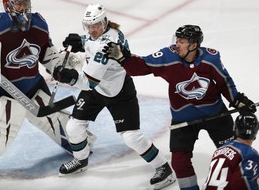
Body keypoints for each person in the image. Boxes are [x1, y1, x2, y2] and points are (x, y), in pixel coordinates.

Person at [102, 24, 257, 190]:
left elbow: (224, 83)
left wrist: (238, 101)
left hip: (215, 116)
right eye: (177, 40)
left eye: (182, 41)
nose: (177, 44)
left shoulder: (210, 59)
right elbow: (141, 66)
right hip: (183, 120)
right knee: (179, 161)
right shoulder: (168, 57)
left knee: (233, 154)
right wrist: (123, 57)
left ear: (194, 45)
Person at [0, 0, 95, 179]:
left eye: (25, 4)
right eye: (18, 4)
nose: (23, 8)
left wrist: (57, 67)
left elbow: (45, 49)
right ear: (8, 6)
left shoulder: (39, 23)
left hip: (32, 87)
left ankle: (78, 143)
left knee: (59, 124)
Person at [52, 4, 175, 189]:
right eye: (88, 26)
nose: (92, 30)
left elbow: (88, 82)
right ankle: (81, 160)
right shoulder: (105, 33)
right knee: (74, 126)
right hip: (97, 90)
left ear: (105, 22)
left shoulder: (108, 45)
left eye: (95, 25)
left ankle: (164, 168)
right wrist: (82, 41)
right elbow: (93, 43)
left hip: (119, 92)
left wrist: (69, 78)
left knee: (131, 137)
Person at [202, 111, 259, 190]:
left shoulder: (219, 150)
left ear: (235, 128)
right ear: (255, 132)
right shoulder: (249, 153)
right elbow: (242, 183)